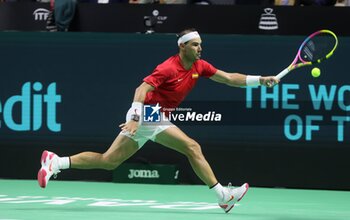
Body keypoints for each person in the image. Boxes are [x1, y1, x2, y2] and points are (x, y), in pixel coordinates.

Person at [37, 28, 279, 213]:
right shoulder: (167, 68)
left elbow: (228, 78)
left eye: (201, 45)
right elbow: (141, 89)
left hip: (153, 117)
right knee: (192, 146)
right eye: (195, 45)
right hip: (147, 113)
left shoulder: (199, 66)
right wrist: (134, 117)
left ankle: (56, 162)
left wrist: (260, 80)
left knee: (109, 161)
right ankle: (222, 196)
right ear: (183, 46)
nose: (200, 48)